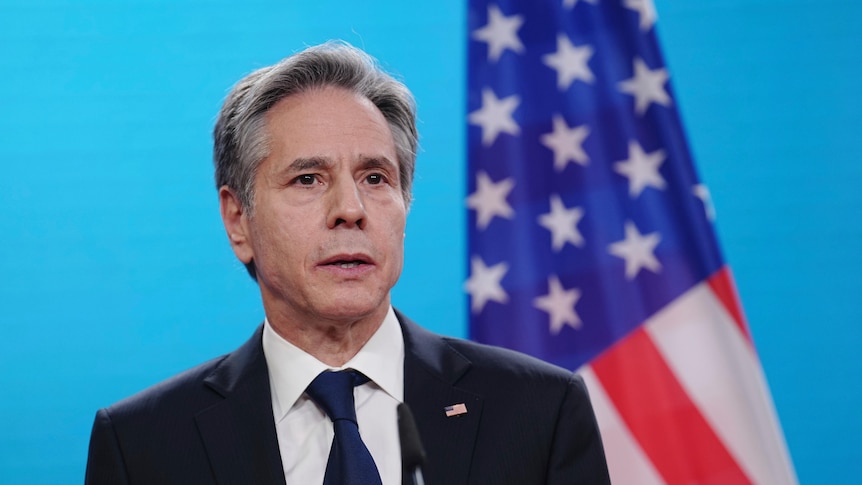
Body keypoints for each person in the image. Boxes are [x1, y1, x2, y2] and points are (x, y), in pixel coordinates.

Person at [84, 41, 610, 485]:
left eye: (376, 178)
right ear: (238, 219)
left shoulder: (540, 412)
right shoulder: (143, 446)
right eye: (308, 179)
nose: (350, 211)